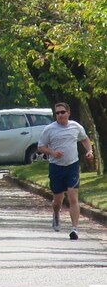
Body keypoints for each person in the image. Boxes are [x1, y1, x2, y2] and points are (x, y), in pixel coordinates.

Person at [38, 102, 94, 240]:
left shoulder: (76, 126)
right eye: (57, 113)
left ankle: (74, 228)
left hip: (72, 166)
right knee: (58, 200)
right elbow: (40, 147)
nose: (60, 115)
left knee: (73, 197)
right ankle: (56, 214)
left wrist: (90, 151)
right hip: (56, 167)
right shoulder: (49, 129)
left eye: (62, 112)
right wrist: (52, 152)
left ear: (68, 113)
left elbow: (85, 139)